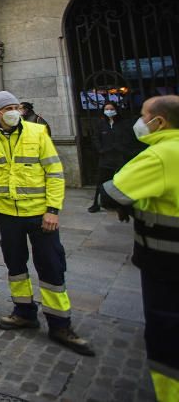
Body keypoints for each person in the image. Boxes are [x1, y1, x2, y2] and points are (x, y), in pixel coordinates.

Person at [0, 91, 93, 356]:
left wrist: (53, 209)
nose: (15, 111)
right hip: (7, 212)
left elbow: (55, 173)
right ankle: (23, 311)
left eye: (17, 107)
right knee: (15, 264)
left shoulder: (37, 132)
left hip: (39, 213)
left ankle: (60, 323)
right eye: (8, 108)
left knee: (50, 265)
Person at [99, 95, 179, 401]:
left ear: (160, 121)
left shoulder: (159, 155)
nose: (140, 120)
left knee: (166, 331)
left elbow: (113, 194)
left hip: (165, 260)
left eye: (144, 115)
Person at [89, 101, 140, 213]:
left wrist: (125, 150)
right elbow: (95, 138)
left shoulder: (124, 124)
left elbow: (129, 138)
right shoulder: (101, 124)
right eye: (107, 109)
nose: (109, 111)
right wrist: (100, 150)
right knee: (101, 181)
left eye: (111, 109)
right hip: (106, 157)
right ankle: (96, 204)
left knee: (122, 181)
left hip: (120, 157)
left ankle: (123, 204)